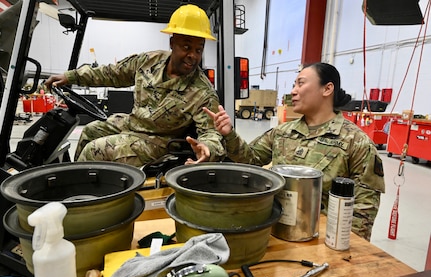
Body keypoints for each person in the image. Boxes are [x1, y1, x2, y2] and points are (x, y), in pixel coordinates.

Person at [187, 62, 385, 241]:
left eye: (301, 83)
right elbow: (251, 159)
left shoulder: (356, 142)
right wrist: (229, 134)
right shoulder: (283, 133)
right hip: (274, 230)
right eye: (294, 85)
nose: (293, 91)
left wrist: (343, 248)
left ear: (327, 88)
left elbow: (364, 210)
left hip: (321, 240)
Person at [44, 4, 225, 167]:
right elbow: (111, 73)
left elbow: (211, 132)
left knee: (93, 151)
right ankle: (84, 183)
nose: (193, 55)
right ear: (172, 43)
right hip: (132, 125)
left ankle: (87, 199)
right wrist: (70, 77)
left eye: (198, 49)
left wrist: (208, 147)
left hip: (159, 141)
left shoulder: (203, 92)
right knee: (89, 132)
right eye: (186, 47)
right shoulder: (148, 61)